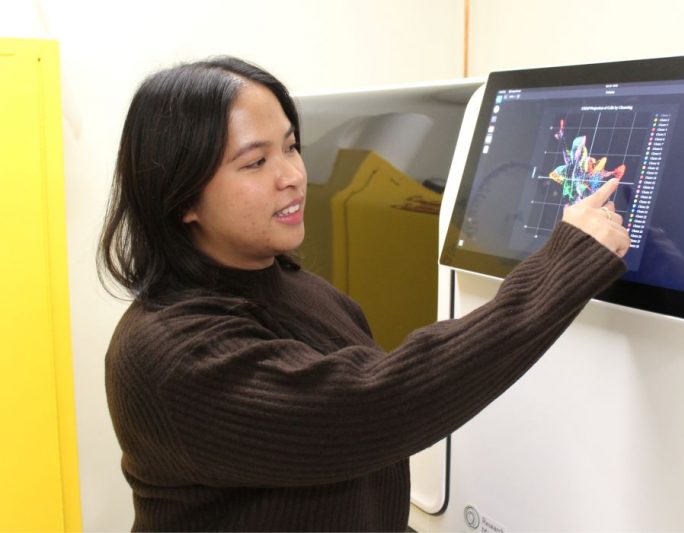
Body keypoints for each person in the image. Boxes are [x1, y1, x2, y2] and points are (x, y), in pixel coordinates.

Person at [99, 56, 630, 532]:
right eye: (255, 162)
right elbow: (374, 409)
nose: (292, 176)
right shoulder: (170, 353)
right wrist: (563, 266)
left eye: (291, 146)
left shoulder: (297, 288)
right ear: (182, 198)